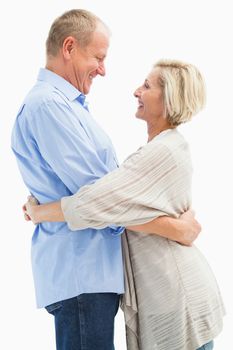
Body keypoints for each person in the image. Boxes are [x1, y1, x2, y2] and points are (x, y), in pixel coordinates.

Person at [11, 9, 200, 350]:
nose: (103, 69)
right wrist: (177, 228)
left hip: (91, 274)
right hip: (81, 273)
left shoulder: (67, 107)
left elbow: (112, 195)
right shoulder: (49, 107)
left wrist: (43, 211)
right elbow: (104, 199)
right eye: (98, 57)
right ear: (69, 47)